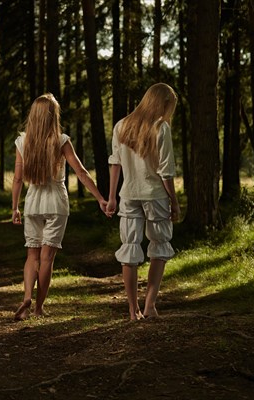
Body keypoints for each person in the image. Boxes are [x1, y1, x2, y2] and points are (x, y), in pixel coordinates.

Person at [12, 93, 107, 321]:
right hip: (56, 203)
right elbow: (81, 173)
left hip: (32, 203)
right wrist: (100, 198)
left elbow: (17, 179)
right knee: (47, 259)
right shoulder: (61, 140)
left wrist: (14, 207)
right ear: (53, 116)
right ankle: (38, 308)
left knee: (31, 256)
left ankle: (27, 296)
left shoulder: (22, 141)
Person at [106, 83, 180, 321]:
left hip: (128, 194)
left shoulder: (122, 125)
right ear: (164, 104)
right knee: (159, 247)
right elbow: (166, 172)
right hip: (155, 195)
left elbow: (115, 164)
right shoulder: (161, 127)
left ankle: (132, 309)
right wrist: (175, 202)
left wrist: (111, 197)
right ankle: (149, 306)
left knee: (129, 249)